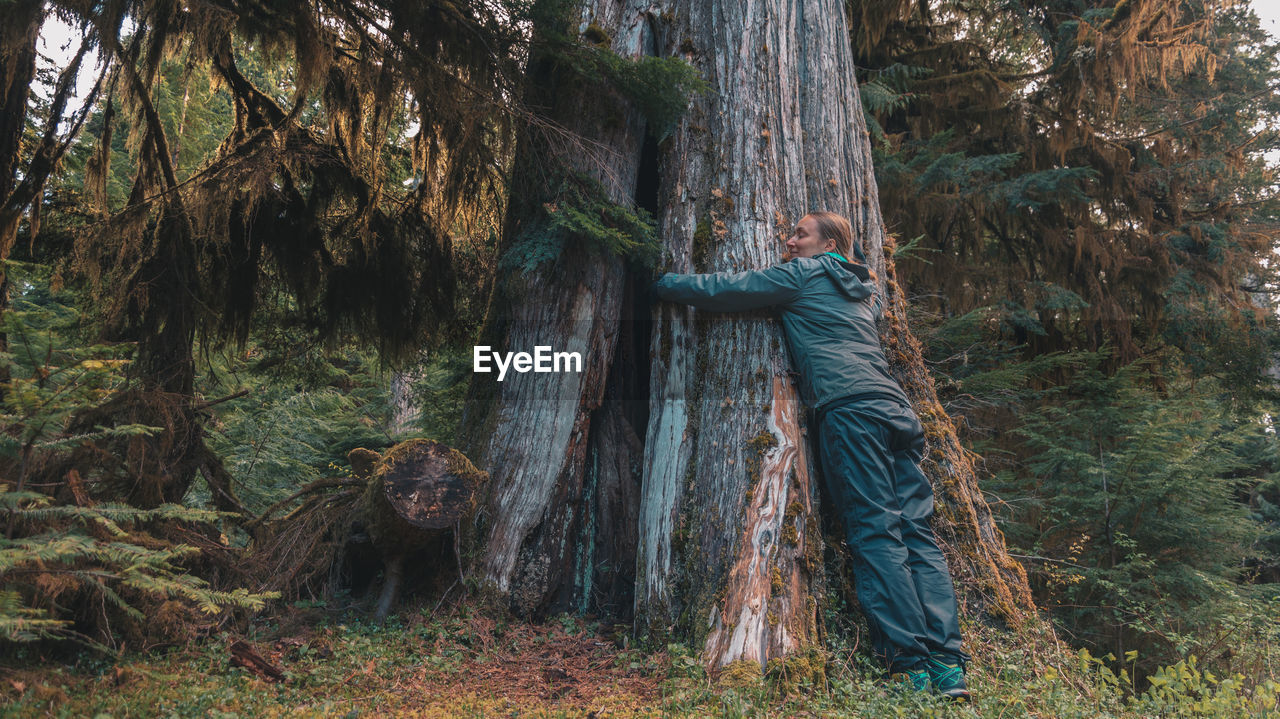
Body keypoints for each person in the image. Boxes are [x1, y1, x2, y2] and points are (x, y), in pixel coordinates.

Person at [653, 211, 971, 700]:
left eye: (800, 233)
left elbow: (729, 288)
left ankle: (910, 665)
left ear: (827, 245)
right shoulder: (865, 291)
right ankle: (949, 664)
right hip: (896, 413)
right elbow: (851, 263)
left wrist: (664, 282)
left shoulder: (802, 275)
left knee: (875, 532)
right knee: (916, 535)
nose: (788, 239)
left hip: (851, 412)